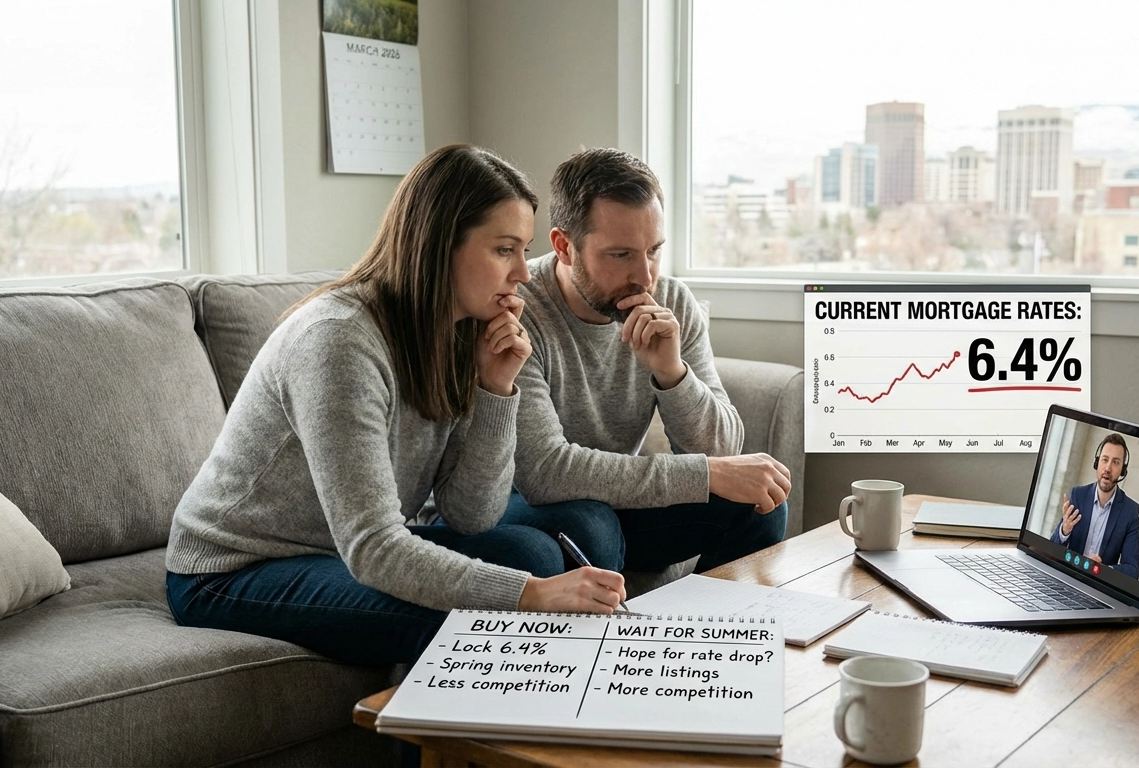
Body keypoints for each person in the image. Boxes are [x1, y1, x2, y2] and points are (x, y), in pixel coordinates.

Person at [164, 145, 626, 666]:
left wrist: (495, 390)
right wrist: (531, 594)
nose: (522, 271)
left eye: (523, 249)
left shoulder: (460, 333)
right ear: (437, 245)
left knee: (533, 553)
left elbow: (471, 515)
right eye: (504, 249)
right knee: (466, 621)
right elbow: (374, 546)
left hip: (341, 550)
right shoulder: (338, 340)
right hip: (236, 567)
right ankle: (455, 751)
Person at [503, 147, 790, 574]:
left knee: (760, 502)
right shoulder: (517, 309)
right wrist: (703, 476)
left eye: (653, 249)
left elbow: (723, 449)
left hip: (621, 499)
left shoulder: (672, 300)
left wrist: (672, 374)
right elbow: (545, 472)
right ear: (564, 247)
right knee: (590, 525)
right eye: (620, 255)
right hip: (522, 501)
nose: (645, 275)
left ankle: (698, 634)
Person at [1051, 433, 1139, 579]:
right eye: (1105, 460)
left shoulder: (1130, 511)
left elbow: (1132, 570)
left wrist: (1103, 569)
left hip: (1099, 586)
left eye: (1115, 462)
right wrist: (1064, 530)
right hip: (1069, 578)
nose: (1108, 468)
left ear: (1122, 471)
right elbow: (1051, 550)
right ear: (1097, 463)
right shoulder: (1077, 495)